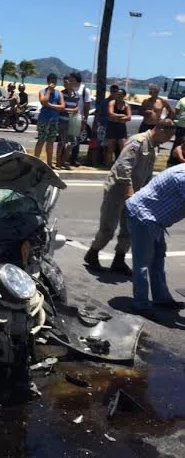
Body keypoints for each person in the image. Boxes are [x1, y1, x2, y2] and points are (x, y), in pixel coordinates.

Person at [84, 119, 175, 275]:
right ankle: (92, 253)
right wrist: (129, 189)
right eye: (168, 136)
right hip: (118, 190)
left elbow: (146, 173)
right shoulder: (138, 141)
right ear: (160, 130)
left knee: (129, 229)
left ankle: (119, 259)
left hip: (135, 194)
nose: (168, 140)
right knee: (108, 227)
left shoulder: (153, 146)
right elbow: (124, 166)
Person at [125, 164, 185, 315]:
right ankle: (140, 305)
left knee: (158, 258)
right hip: (143, 215)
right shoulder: (183, 176)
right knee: (142, 262)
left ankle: (161, 298)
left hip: (154, 218)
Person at [34, 73, 65, 167]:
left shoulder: (59, 93)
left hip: (54, 120)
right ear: (48, 82)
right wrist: (49, 91)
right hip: (43, 119)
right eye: (52, 81)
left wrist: (50, 106)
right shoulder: (42, 91)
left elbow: (62, 106)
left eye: (55, 81)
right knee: (41, 140)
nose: (54, 83)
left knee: (51, 142)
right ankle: (35, 161)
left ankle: (49, 163)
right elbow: (43, 102)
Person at [56, 76, 81, 169]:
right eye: (64, 83)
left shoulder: (77, 95)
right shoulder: (61, 94)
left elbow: (77, 107)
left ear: (71, 83)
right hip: (63, 120)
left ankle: (63, 161)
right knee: (61, 142)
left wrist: (75, 110)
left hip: (73, 121)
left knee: (72, 143)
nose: (64, 84)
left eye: (66, 82)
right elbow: (60, 107)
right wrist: (71, 110)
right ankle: (58, 162)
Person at [69, 72, 91, 167]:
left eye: (71, 78)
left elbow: (87, 106)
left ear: (76, 79)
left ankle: (73, 159)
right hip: (66, 115)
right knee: (65, 139)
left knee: (75, 140)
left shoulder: (84, 90)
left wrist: (85, 119)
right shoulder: (68, 88)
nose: (70, 80)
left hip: (78, 117)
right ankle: (63, 158)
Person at [105, 88, 131, 167]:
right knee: (110, 148)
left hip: (121, 128)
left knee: (123, 148)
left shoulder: (126, 105)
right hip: (112, 126)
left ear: (124, 95)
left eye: (120, 94)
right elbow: (110, 113)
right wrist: (122, 115)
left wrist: (117, 117)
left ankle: (120, 165)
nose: (118, 96)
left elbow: (129, 117)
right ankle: (108, 164)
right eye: (117, 94)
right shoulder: (112, 102)